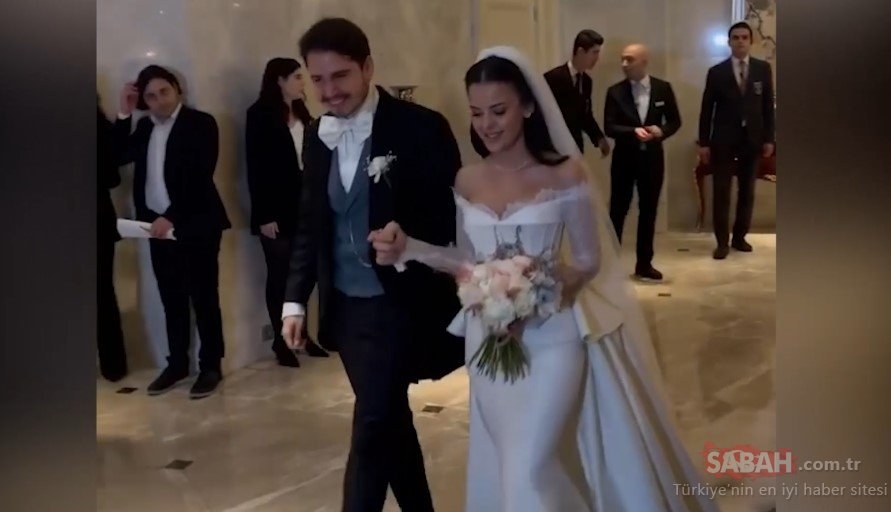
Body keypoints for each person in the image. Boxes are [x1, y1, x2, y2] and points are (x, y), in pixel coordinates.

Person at [371, 46, 718, 512]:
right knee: (510, 463)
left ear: (529, 107)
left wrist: (533, 295)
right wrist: (410, 248)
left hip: (553, 336)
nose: (487, 124)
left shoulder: (565, 174)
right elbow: (468, 262)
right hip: (488, 339)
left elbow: (589, 262)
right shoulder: (468, 179)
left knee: (531, 466)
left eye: (499, 110)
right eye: (476, 113)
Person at [280, 18, 464, 512]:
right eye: (317, 80)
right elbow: (310, 222)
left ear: (368, 67)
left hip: (398, 303)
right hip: (346, 306)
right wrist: (294, 300)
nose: (328, 92)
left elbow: (451, 217)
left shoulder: (421, 126)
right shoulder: (318, 134)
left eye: (339, 76)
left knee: (371, 427)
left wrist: (408, 238)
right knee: (388, 421)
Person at [115, 65, 231, 399]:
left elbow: (200, 175)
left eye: (164, 92)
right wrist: (123, 113)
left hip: (196, 224)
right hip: (156, 229)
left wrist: (172, 216)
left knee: (204, 297)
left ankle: (210, 366)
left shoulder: (201, 123)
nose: (159, 101)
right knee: (171, 298)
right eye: (151, 96)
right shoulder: (144, 127)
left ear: (177, 89)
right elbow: (116, 156)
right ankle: (177, 363)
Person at [245, 57, 328, 367]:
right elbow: (256, 166)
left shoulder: (303, 113)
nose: (301, 82)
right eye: (296, 76)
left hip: (305, 204)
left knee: (305, 274)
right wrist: (264, 214)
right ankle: (281, 341)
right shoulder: (259, 115)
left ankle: (302, 335)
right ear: (279, 80)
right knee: (280, 276)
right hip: (276, 207)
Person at [698, 21, 775, 260]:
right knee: (721, 192)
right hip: (723, 140)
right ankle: (722, 242)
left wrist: (769, 138)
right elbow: (706, 109)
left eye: (744, 37)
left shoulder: (762, 69)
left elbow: (767, 107)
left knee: (747, 191)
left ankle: (739, 237)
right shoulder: (717, 72)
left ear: (750, 41)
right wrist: (704, 142)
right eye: (736, 37)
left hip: (752, 139)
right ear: (729, 42)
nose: (740, 41)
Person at [604, 44, 682, 281]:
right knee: (618, 211)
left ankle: (644, 263)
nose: (624, 64)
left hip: (652, 159)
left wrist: (661, 131)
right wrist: (632, 131)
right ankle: (611, 264)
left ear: (644, 62)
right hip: (624, 160)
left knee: (649, 211)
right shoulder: (615, 92)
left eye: (630, 59)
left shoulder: (662, 88)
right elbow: (609, 126)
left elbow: (675, 121)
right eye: (622, 59)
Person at [98, 98, 128, 382]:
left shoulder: (98, 125)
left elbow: (112, 175)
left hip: (95, 220)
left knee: (101, 293)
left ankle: (114, 366)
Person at [544, 29, 610, 156]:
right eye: (594, 52)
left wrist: (599, 138)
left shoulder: (586, 82)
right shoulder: (553, 78)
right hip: (553, 147)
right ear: (580, 52)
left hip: (575, 147)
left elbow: (585, 115)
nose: (597, 58)